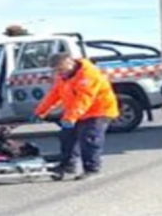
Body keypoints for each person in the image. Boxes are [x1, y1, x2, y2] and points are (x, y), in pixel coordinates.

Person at [33, 53, 119, 181]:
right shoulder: (64, 76)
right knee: (67, 138)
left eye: (60, 70)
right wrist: (40, 112)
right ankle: (68, 166)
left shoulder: (88, 75)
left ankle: (92, 169)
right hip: (77, 113)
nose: (59, 73)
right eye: (56, 71)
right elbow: (54, 95)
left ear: (70, 63)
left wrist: (70, 117)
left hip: (98, 111)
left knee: (89, 139)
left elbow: (84, 99)